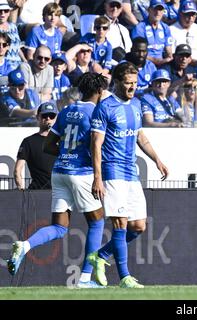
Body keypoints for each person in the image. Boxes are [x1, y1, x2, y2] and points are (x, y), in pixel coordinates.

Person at [7, 73, 109, 289]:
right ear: (99, 92)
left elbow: (48, 146)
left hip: (60, 171)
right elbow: (96, 146)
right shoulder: (97, 112)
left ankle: (24, 246)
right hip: (81, 173)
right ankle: (84, 279)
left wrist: (67, 152)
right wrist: (95, 173)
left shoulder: (66, 110)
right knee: (97, 221)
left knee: (59, 227)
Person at [88, 62, 169, 288]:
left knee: (139, 226)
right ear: (117, 82)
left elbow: (140, 137)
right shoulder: (105, 107)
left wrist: (157, 159)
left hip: (131, 173)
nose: (132, 87)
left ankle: (101, 256)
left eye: (134, 83)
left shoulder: (135, 104)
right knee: (120, 224)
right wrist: (97, 177)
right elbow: (96, 144)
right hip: (112, 171)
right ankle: (124, 278)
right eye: (127, 83)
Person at [13, 101, 57, 191]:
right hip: (38, 193)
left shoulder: (63, 141)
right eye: (44, 116)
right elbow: (17, 170)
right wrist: (21, 191)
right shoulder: (28, 142)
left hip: (60, 193)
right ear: (38, 117)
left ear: (56, 118)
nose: (48, 118)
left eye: (51, 116)